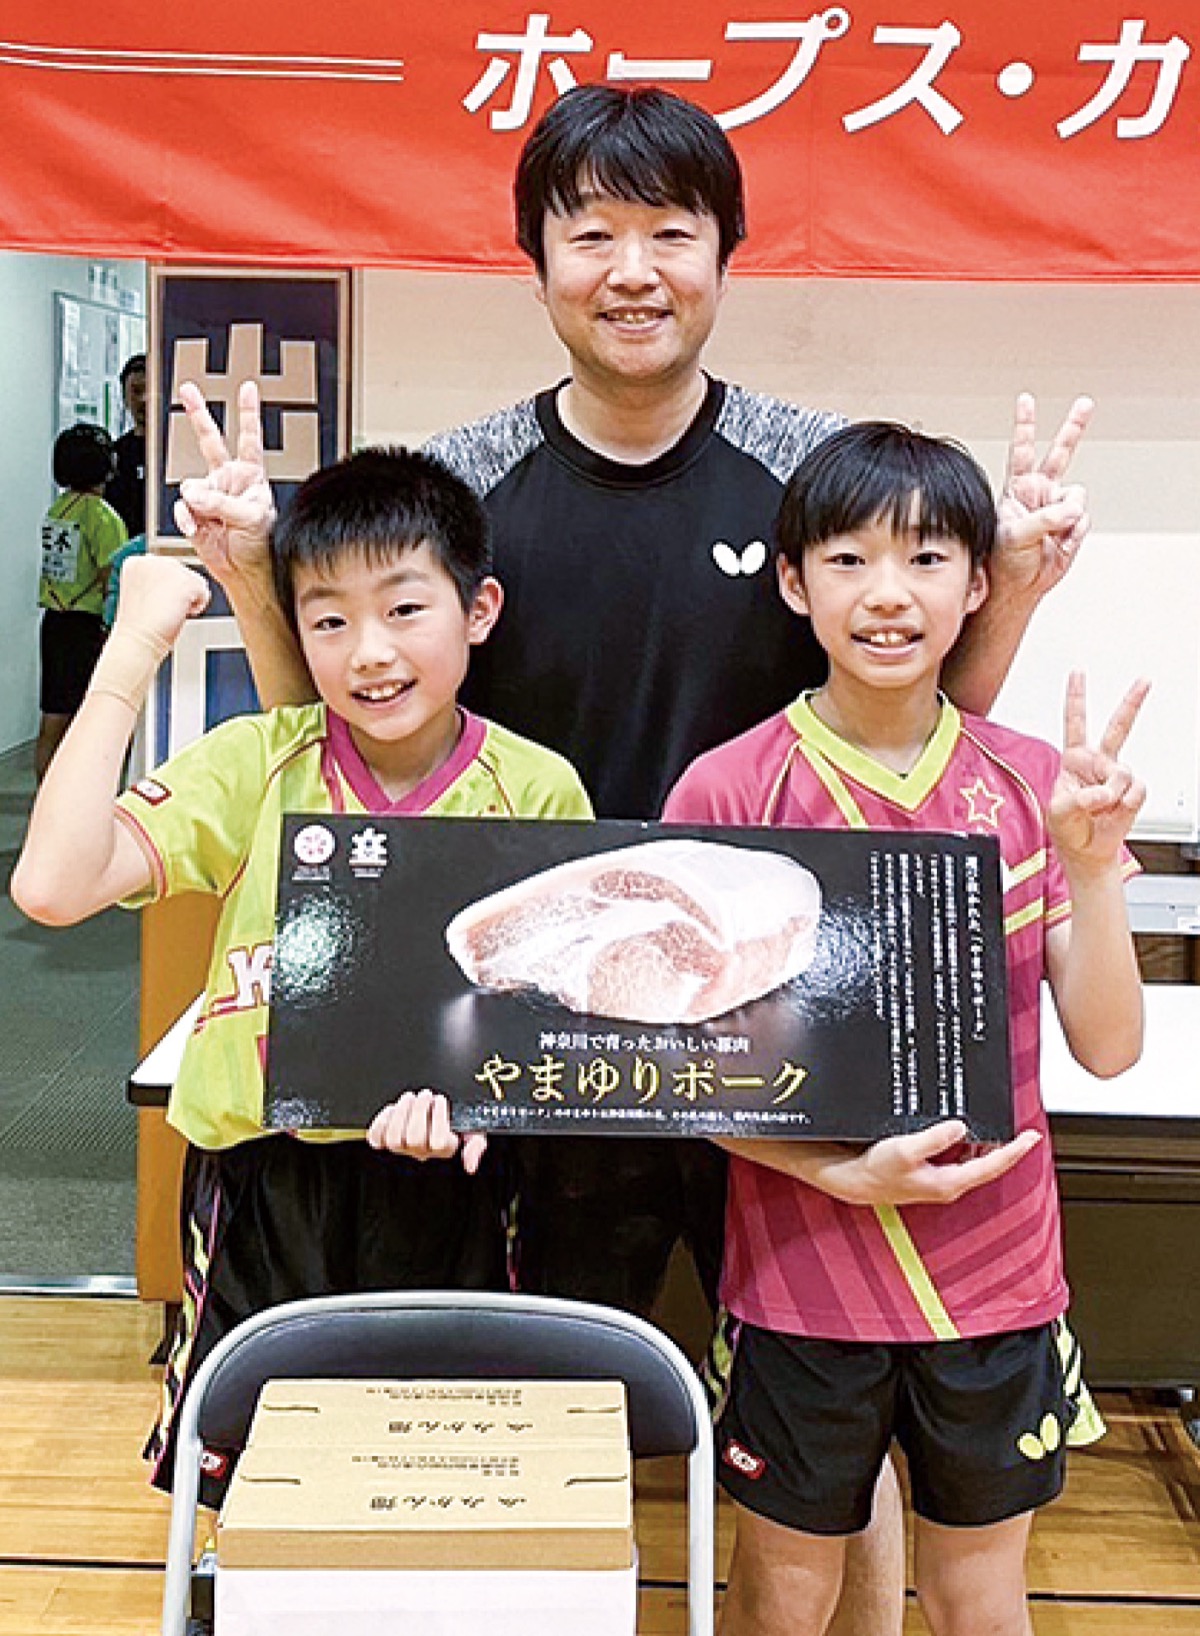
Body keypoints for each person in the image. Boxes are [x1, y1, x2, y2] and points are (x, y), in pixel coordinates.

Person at [165, 86, 1093, 1630]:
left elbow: (920, 704)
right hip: (537, 1047)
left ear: (727, 254)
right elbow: (331, 742)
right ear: (537, 262)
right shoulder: (463, 486)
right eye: (591, 234)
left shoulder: (808, 476)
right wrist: (251, 573)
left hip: (783, 1035)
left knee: (831, 1431)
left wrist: (1013, 586)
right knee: (535, 1406)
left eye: (672, 232)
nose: (633, 270)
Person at [11, 446, 592, 1507]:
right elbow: (51, 885)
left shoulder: (537, 788)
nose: (369, 652)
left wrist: (478, 1110)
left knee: (432, 1485)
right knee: (255, 1491)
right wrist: (133, 645)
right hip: (259, 1181)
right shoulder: (259, 761)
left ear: (478, 610)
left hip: (448, 1192)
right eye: (328, 620)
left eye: (404, 609)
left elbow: (548, 1024)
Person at [662, 421, 1146, 1636]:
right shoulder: (729, 789)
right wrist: (839, 1173)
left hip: (999, 1279)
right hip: (800, 1282)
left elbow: (1108, 1047)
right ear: (793, 582)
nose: (888, 594)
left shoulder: (1032, 783)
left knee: (980, 1596)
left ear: (979, 584)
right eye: (849, 559)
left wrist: (1095, 872)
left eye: (927, 558)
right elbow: (685, 1075)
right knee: (787, 1593)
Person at [37, 421, 127, 780]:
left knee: (53, 716)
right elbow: (111, 578)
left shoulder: (58, 510)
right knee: (89, 720)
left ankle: (44, 796)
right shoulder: (102, 516)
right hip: (87, 628)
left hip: (54, 623)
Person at [105, 353, 147, 536]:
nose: (144, 399)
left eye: (150, 391)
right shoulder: (113, 455)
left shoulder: (176, 453)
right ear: (125, 399)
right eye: (136, 391)